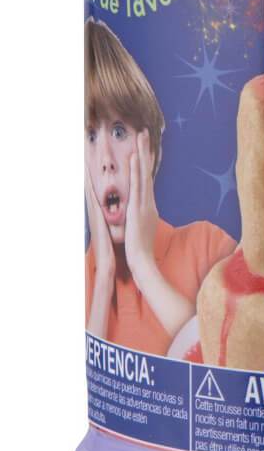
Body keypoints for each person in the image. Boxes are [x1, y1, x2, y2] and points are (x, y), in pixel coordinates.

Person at [84, 18, 235, 355]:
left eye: (119, 131)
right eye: (90, 135)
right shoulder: (82, 276)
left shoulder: (208, 249)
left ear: (151, 150)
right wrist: (103, 277)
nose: (105, 159)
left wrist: (142, 264)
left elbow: (225, 360)